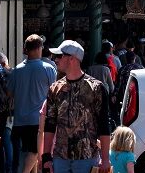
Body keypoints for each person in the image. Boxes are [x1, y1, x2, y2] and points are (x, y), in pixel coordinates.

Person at [42, 40, 111, 173]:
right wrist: (46, 156)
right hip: (60, 158)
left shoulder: (96, 88)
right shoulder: (54, 88)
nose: (56, 59)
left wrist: (105, 158)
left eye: (60, 56)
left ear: (72, 59)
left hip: (87, 158)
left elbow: (104, 125)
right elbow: (50, 123)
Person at [9, 34, 58, 173]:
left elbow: (9, 94)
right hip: (38, 119)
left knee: (27, 153)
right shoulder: (48, 68)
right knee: (35, 151)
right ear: (39, 48)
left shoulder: (16, 70)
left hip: (19, 120)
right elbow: (54, 94)